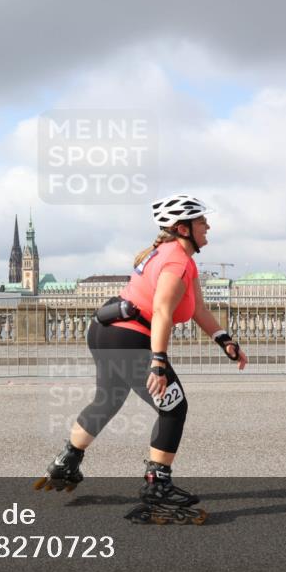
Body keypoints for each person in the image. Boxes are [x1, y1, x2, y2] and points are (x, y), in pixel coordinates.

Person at [34, 195, 247, 521]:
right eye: (202, 221)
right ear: (183, 228)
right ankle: (156, 486)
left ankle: (67, 460)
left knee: (108, 400)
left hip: (106, 331)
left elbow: (199, 310)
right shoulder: (176, 261)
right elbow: (162, 311)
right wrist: (158, 363)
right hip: (129, 339)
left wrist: (224, 340)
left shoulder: (172, 256)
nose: (208, 226)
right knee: (173, 406)